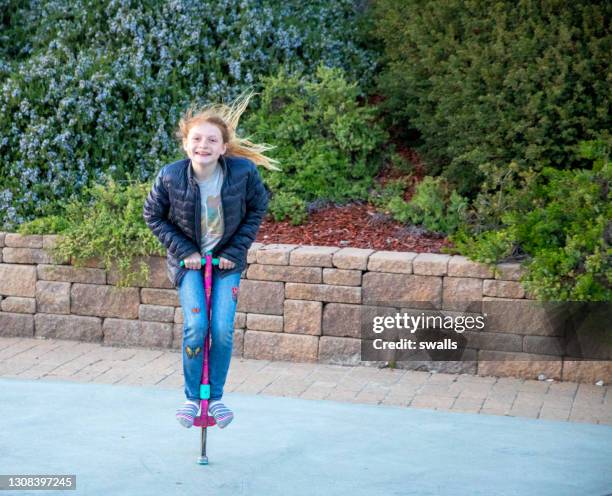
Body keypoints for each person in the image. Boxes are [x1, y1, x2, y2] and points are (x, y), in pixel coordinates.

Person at [143, 89, 279, 429]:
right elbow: (153, 216)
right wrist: (186, 251)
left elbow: (257, 209)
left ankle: (215, 398)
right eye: (197, 139)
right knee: (195, 327)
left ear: (223, 147)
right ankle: (192, 398)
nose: (203, 145)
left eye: (211, 140)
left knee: (220, 329)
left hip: (225, 263)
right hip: (188, 263)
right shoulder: (171, 176)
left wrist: (234, 253)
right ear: (186, 143)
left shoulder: (243, 173)